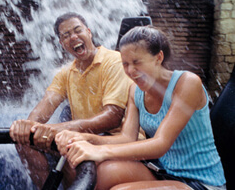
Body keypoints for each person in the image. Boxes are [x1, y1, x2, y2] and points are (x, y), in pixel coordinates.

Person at [55, 26, 226, 190]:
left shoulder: (188, 83)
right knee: (102, 174)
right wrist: (83, 138)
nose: (130, 71)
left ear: (158, 58)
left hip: (201, 181)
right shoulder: (135, 90)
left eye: (137, 62)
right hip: (163, 172)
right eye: (125, 64)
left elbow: (161, 144)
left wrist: (99, 151)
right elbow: (127, 138)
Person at [9, 12, 134, 188]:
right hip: (78, 138)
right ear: (62, 44)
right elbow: (44, 107)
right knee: (25, 142)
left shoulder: (114, 61)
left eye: (77, 30)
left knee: (71, 151)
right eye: (66, 35)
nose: (73, 37)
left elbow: (112, 117)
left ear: (89, 32)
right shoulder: (66, 74)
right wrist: (28, 127)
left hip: (115, 140)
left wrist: (56, 130)